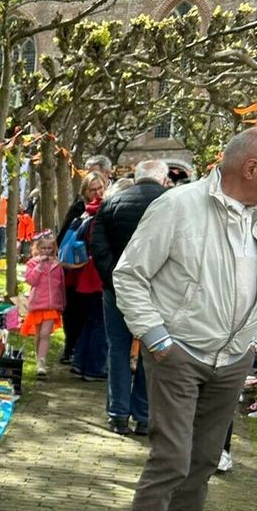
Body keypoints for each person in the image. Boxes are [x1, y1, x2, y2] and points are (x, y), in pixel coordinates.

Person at [112, 127, 257, 511]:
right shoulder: (178, 206)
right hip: (179, 354)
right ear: (250, 168)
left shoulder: (256, 215)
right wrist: (157, 339)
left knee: (205, 459)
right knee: (171, 458)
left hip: (231, 360)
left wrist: (248, 344)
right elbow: (130, 275)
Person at [90, 160, 169, 436]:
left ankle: (118, 414)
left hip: (118, 289)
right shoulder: (173, 203)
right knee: (152, 350)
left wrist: (113, 279)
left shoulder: (112, 202)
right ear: (163, 178)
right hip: (158, 291)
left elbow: (98, 245)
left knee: (118, 349)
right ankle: (144, 416)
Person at [58, 172, 106, 367]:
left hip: (88, 271)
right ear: (85, 191)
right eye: (92, 190)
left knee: (88, 317)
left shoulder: (105, 207)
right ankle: (72, 350)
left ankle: (79, 355)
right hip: (76, 271)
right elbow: (64, 237)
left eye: (100, 188)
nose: (97, 193)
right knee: (75, 314)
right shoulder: (79, 209)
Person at [21, 232, 64, 377]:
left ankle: (41, 361)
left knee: (46, 333)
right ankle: (38, 356)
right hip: (38, 303)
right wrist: (39, 266)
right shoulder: (32, 263)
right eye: (43, 248)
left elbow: (61, 285)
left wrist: (62, 303)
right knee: (39, 334)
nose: (46, 251)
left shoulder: (57, 264)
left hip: (52, 305)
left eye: (49, 248)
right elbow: (31, 281)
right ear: (37, 248)